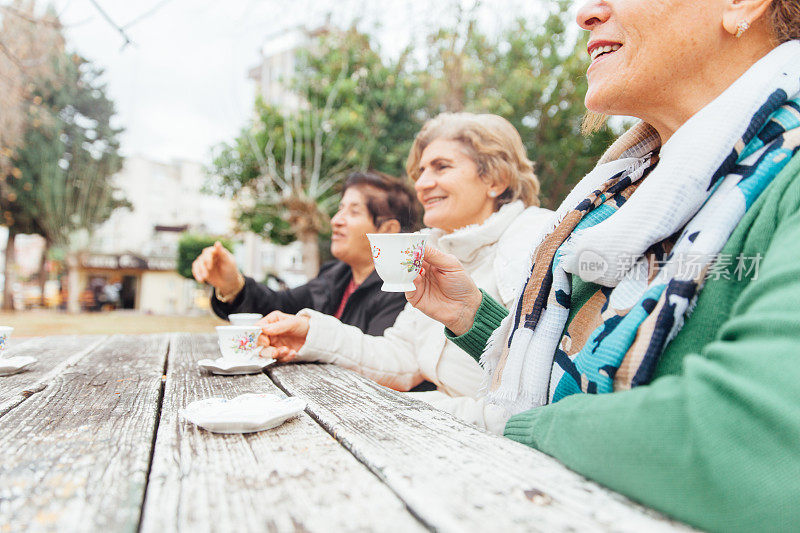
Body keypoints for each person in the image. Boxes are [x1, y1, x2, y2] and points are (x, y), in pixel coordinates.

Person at [406, 1, 800, 531]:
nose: (585, 13)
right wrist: (471, 317)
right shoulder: (622, 194)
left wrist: (523, 427)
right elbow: (572, 366)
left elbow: (755, 449)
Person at [259, 113, 553, 429]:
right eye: (421, 171)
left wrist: (400, 407)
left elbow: (529, 406)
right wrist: (312, 334)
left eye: (442, 167)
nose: (422, 184)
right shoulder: (434, 248)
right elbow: (401, 357)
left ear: (495, 180)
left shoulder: (539, 242)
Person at [192, 171, 418, 337]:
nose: (335, 221)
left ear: (388, 230)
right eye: (340, 209)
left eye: (354, 211)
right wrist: (233, 286)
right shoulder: (334, 276)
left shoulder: (402, 290)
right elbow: (278, 306)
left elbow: (380, 364)